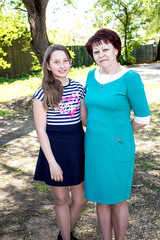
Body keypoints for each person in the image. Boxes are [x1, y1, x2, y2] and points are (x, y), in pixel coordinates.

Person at [83, 29, 150, 240]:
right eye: (96, 51)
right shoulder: (90, 76)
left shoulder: (130, 78)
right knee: (100, 198)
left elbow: (143, 118)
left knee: (118, 198)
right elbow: (87, 111)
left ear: (116, 50)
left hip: (118, 147)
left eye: (105, 49)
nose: (101, 54)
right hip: (93, 146)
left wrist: (120, 132)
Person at [33, 44, 87, 240]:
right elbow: (41, 130)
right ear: (48, 65)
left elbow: (84, 120)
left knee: (81, 198)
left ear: (70, 62)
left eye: (65, 61)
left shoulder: (79, 88)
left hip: (76, 147)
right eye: (56, 62)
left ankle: (63, 232)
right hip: (54, 149)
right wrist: (52, 163)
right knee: (61, 198)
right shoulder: (42, 93)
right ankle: (66, 237)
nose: (62, 65)